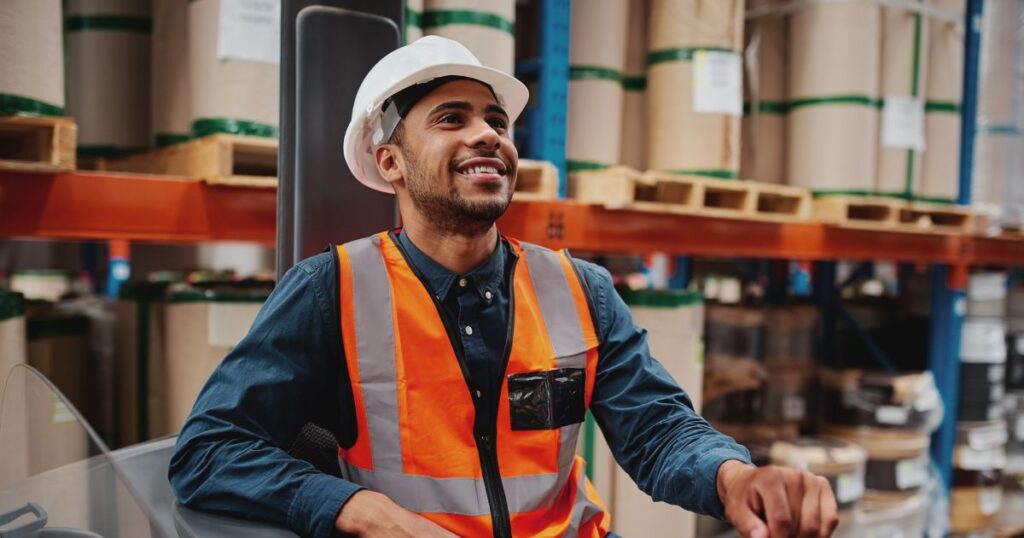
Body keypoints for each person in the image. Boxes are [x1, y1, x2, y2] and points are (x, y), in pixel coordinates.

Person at [169, 36, 838, 538]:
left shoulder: (580, 290)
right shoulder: (330, 290)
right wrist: (354, 508)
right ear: (391, 162)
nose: (488, 135)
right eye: (452, 119)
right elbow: (209, 449)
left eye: (497, 121)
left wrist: (733, 475)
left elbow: (659, 429)